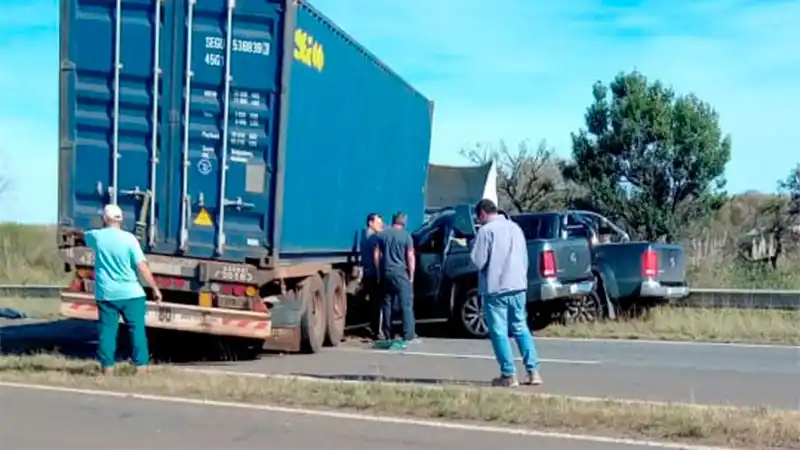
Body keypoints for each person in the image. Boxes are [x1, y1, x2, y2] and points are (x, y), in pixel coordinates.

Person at [470, 198, 542, 387]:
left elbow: (477, 261)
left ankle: (508, 374)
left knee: (499, 331)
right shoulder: (515, 228)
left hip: (496, 287)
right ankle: (533, 371)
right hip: (518, 284)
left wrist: (471, 243)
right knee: (520, 326)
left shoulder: (486, 231)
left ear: (482, 214)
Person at [84, 204, 163, 375]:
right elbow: (141, 266)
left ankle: (107, 369)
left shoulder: (97, 237)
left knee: (108, 332)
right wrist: (155, 288)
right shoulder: (130, 239)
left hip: (107, 294)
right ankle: (141, 368)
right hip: (132, 294)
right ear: (121, 220)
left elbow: (81, 237)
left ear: (105, 218)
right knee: (137, 331)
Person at [374, 212, 419, 345]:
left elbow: (376, 255)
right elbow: (410, 257)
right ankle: (408, 334)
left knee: (387, 304)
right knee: (406, 304)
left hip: (386, 272)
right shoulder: (406, 236)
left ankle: (388, 333)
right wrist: (411, 274)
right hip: (401, 273)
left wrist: (378, 272)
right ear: (404, 222)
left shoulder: (382, 235)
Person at [360, 213, 384, 339]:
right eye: (378, 223)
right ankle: (377, 330)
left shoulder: (364, 237)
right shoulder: (374, 238)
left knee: (372, 302)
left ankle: (372, 326)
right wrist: (380, 272)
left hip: (367, 272)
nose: (381, 226)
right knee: (378, 303)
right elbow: (376, 256)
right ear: (370, 223)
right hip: (375, 273)